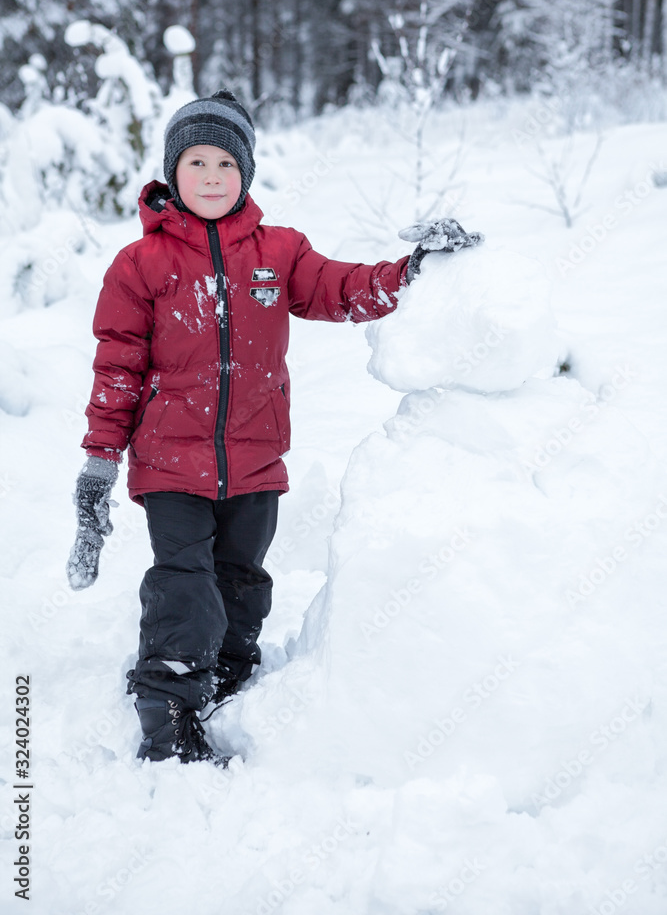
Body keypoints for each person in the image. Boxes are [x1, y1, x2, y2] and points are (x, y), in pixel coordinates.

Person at [66, 89, 482, 766]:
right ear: (172, 172)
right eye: (194, 162)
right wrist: (100, 459)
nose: (209, 177)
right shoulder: (141, 266)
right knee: (185, 584)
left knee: (242, 583)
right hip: (169, 462)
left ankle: (226, 683)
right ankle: (167, 714)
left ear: (246, 174)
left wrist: (414, 272)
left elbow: (345, 289)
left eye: (224, 165)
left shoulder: (278, 252)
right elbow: (116, 365)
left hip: (255, 460)